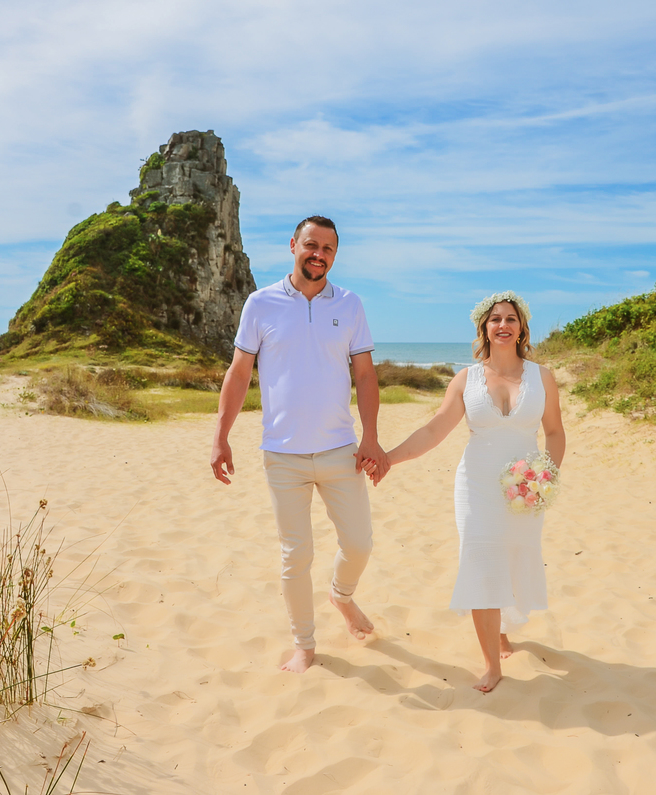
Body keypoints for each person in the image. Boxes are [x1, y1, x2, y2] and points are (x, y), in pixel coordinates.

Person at [211, 216, 391, 673]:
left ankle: (341, 596)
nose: (318, 255)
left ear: (335, 255)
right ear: (293, 245)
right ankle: (304, 645)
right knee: (297, 556)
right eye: (311, 245)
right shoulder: (260, 303)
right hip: (282, 455)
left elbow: (365, 374)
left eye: (328, 249)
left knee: (359, 544)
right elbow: (239, 372)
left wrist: (370, 437)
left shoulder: (350, 304)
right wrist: (221, 437)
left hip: (340, 450)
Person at [364, 291, 565, 692]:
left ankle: (501, 632)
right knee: (483, 562)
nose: (503, 325)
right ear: (484, 329)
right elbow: (434, 429)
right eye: (495, 319)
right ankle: (491, 663)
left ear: (522, 328)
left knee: (511, 560)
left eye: (511, 319)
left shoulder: (542, 377)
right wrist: (390, 458)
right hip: (477, 487)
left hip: (526, 489)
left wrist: (547, 475)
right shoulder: (466, 380)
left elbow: (555, 432)